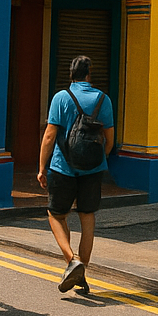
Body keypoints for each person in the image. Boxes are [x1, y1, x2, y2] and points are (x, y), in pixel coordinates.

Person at [38, 55, 115, 295]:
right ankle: (82, 273)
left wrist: (41, 168)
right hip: (93, 169)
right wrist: (98, 159)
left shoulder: (61, 98)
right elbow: (110, 140)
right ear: (89, 74)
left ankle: (73, 261)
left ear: (71, 74)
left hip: (63, 168)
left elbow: (50, 136)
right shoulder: (104, 99)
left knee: (56, 215)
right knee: (87, 219)